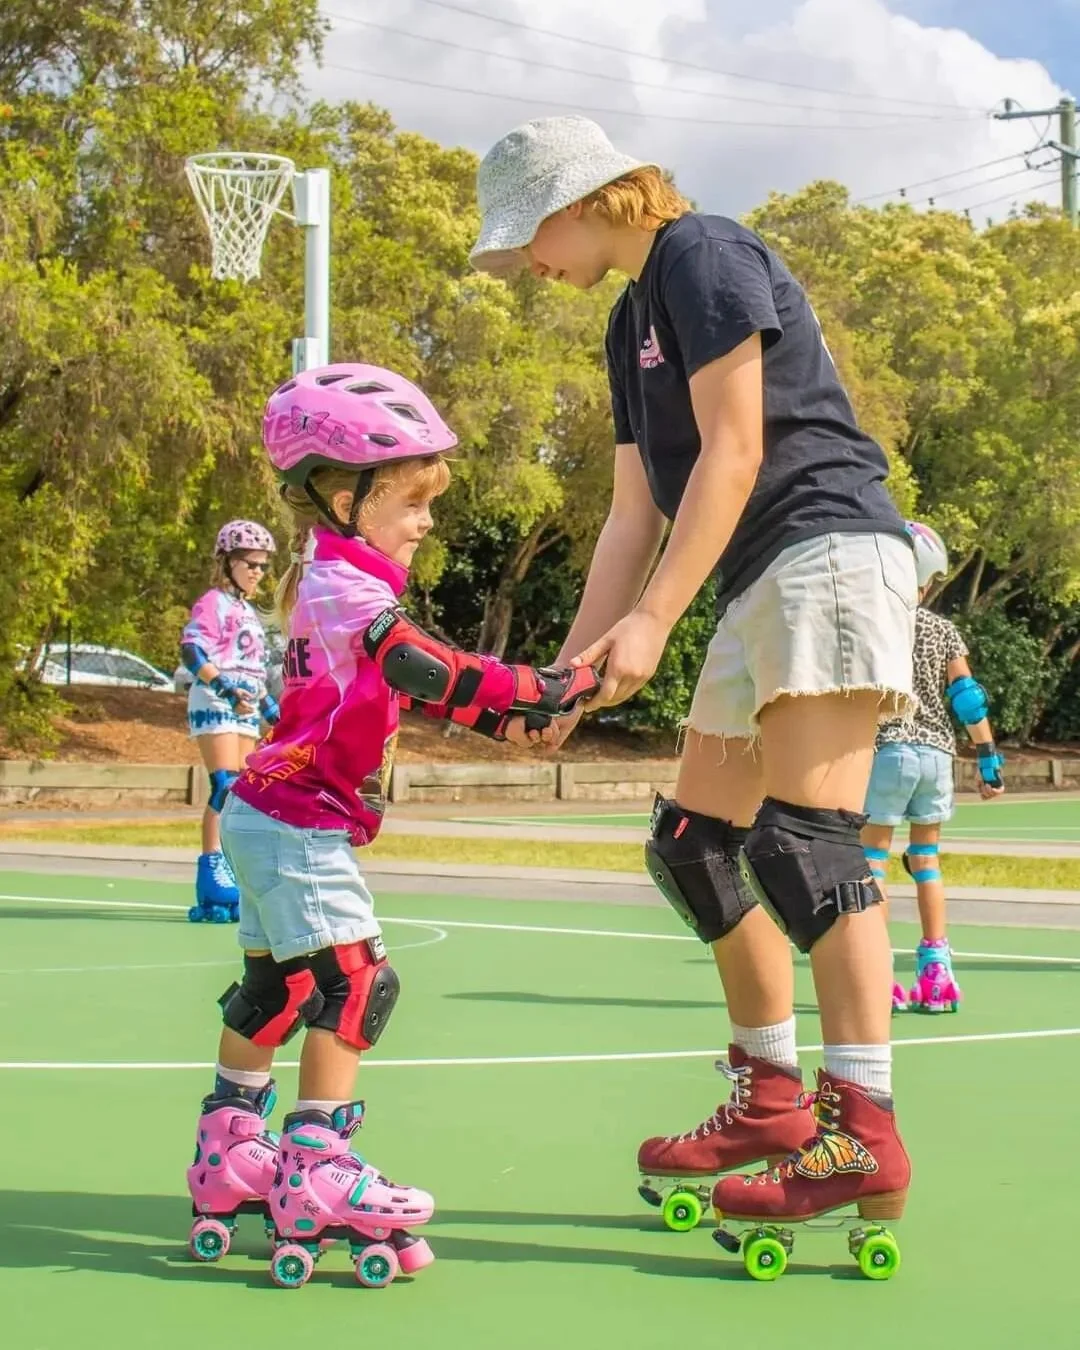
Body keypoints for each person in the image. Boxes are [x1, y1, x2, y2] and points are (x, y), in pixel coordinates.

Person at [470, 115, 919, 1250]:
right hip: (758, 575)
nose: (525, 263)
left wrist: (655, 622)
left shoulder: (702, 253)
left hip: (826, 550)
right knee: (695, 843)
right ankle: (771, 1099)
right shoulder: (629, 319)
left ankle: (864, 1131)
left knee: (807, 845)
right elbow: (635, 515)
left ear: (584, 200)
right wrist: (564, 680)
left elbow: (736, 449)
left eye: (527, 236)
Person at [186, 364, 599, 1288]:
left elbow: (404, 686)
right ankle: (317, 1168)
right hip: (298, 818)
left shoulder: (333, 578)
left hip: (267, 809)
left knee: (278, 989)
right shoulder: (347, 586)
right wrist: (538, 686)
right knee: (356, 984)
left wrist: (509, 723)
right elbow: (420, 666)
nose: (426, 522)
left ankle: (232, 1150)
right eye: (412, 502)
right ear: (346, 499)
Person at [862, 521, 1005, 1014]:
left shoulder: (873, 623)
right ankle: (937, 975)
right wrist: (988, 758)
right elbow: (967, 698)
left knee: (873, 862)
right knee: (925, 860)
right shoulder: (944, 630)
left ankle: (876, 973)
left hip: (887, 749)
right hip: (937, 755)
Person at [181, 520, 279, 923]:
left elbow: (254, 670)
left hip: (246, 707)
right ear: (227, 562)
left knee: (242, 794)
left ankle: (233, 868)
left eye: (263, 566)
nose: (257, 572)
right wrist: (224, 688)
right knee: (224, 786)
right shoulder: (214, 602)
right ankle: (211, 871)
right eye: (250, 564)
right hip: (216, 699)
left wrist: (272, 710)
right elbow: (192, 651)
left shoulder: (249, 612)